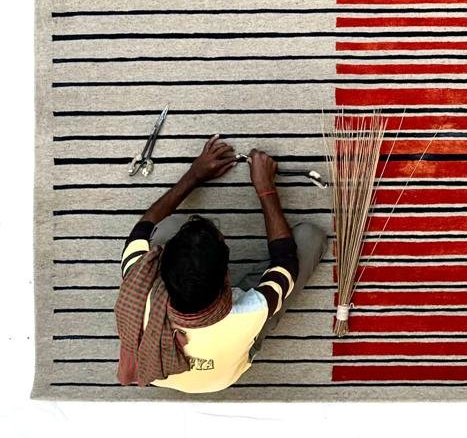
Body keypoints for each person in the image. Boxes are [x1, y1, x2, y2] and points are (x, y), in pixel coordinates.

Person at [115, 135, 327, 392]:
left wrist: (194, 176)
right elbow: (286, 264)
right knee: (310, 239)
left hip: (160, 372)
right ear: (227, 278)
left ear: (162, 269)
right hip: (227, 368)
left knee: (170, 226)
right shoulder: (248, 314)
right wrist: (265, 189)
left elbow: (143, 228)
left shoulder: (139, 281)